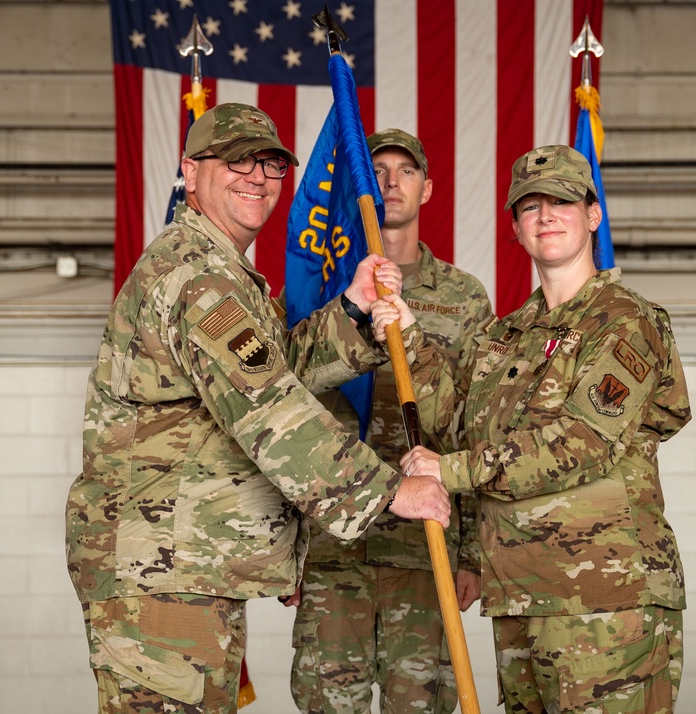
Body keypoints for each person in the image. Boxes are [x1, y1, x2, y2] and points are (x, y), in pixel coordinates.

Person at [65, 103, 451, 714]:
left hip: (187, 567)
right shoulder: (197, 276)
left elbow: (277, 367)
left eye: (271, 163)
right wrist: (388, 492)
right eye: (236, 160)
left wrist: (350, 310)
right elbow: (269, 408)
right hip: (164, 575)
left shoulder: (226, 272)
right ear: (190, 174)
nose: (256, 176)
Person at [401, 145, 692, 714]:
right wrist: (408, 333)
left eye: (562, 201)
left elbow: (583, 442)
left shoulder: (625, 320)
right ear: (515, 228)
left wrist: (452, 471)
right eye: (530, 206)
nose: (546, 215)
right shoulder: (505, 335)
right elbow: (454, 424)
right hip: (518, 596)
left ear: (592, 215)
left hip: (605, 600)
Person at [284, 128, 495, 714]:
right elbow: (286, 413)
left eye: (406, 170)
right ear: (358, 189)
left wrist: (472, 554)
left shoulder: (464, 298)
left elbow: (475, 426)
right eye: (377, 170)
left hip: (425, 549)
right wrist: (288, 549)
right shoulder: (332, 287)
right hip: (335, 548)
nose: (390, 182)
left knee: (423, 705)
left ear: (427, 189)